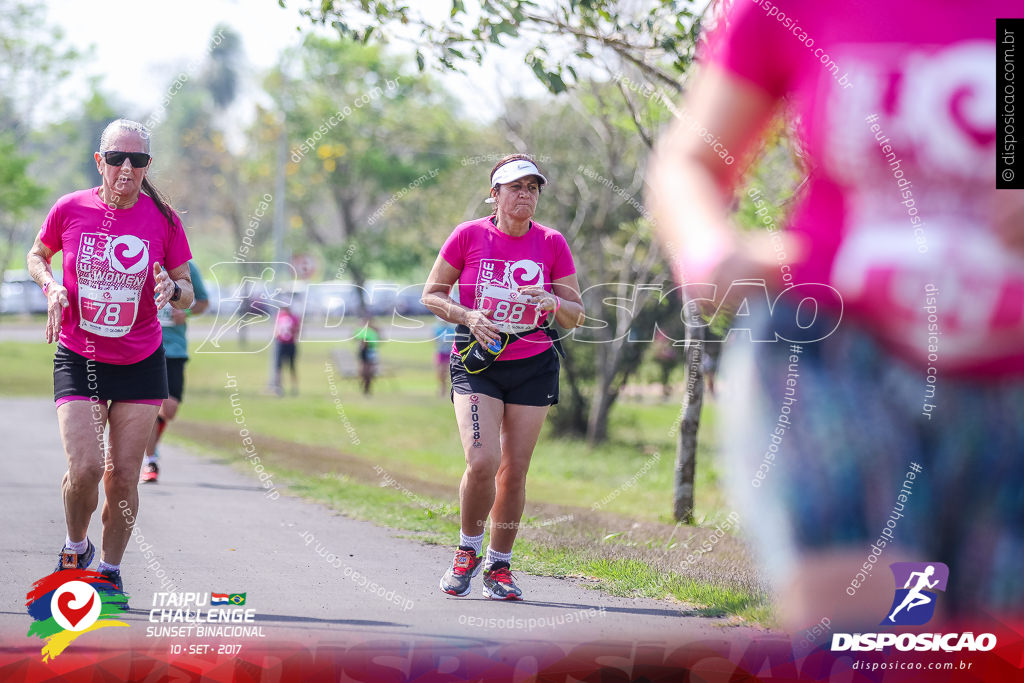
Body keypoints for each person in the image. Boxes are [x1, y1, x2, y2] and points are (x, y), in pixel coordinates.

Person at [648, 0, 1023, 630]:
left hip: (1007, 377)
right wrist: (710, 250)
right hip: (834, 349)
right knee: (884, 634)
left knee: (986, 643)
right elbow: (690, 163)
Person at [26, 118, 194, 603]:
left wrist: (172, 289)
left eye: (137, 160)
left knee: (122, 474)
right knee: (83, 468)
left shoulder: (163, 220)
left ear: (147, 166)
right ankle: (75, 547)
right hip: (79, 356)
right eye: (117, 158)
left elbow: (186, 291)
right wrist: (52, 285)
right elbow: (37, 254)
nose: (126, 168)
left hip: (141, 359)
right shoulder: (71, 208)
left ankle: (110, 570)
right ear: (99, 160)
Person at [423, 154, 585, 600]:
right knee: (482, 462)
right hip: (478, 362)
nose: (525, 195)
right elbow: (432, 294)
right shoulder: (469, 235)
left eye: (532, 188)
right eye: (515, 187)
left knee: (513, 473)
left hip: (533, 365)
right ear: (494, 195)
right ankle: (467, 549)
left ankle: (499, 566)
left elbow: (576, 316)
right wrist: (469, 315)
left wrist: (551, 302)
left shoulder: (552, 242)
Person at [141, 261, 209, 483]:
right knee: (149, 406)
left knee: (169, 409)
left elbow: (203, 302)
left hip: (174, 349)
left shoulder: (187, 267)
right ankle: (150, 460)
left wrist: (186, 313)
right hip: (144, 347)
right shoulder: (141, 260)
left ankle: (148, 443)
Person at [272, 302, 300, 396]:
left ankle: (294, 388)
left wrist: (292, 334)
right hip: (281, 343)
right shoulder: (279, 316)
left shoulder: (294, 317)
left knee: (292, 367)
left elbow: (297, 330)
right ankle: (278, 387)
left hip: (290, 344)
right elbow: (276, 329)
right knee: (278, 367)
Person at [354, 315, 380, 396]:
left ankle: (367, 387)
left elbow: (378, 341)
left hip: (370, 351)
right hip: (364, 351)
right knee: (365, 370)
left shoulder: (373, 330)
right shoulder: (361, 330)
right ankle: (365, 387)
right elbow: (357, 339)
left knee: (369, 371)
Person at [434, 319, 457, 397]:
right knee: (440, 372)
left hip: (448, 353)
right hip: (440, 352)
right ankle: (442, 388)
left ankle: (448, 389)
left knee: (448, 372)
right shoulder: (438, 329)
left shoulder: (451, 329)